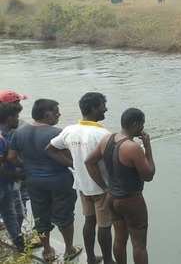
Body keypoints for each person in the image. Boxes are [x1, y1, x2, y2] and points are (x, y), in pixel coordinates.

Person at [8, 99, 85, 261]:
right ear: (47, 113)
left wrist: (28, 166)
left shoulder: (19, 132)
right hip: (59, 180)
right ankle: (69, 249)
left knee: (40, 215)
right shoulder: (57, 133)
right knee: (65, 215)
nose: (59, 114)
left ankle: (47, 250)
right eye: (56, 111)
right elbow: (69, 158)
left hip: (33, 181)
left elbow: (12, 157)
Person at [47, 93, 113, 264]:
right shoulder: (103, 134)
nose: (105, 108)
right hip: (101, 188)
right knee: (105, 226)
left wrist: (73, 165)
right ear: (93, 108)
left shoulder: (70, 130)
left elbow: (50, 149)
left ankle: (91, 258)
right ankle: (108, 260)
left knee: (89, 221)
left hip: (82, 186)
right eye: (102, 106)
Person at [86, 108, 155, 264]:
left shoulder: (107, 139)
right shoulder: (132, 147)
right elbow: (149, 175)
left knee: (120, 238)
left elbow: (89, 161)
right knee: (139, 244)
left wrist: (105, 187)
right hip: (131, 200)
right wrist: (148, 148)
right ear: (136, 124)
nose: (143, 128)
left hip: (112, 197)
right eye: (142, 124)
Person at [0, 103, 25, 252]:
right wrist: (19, 174)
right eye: (16, 116)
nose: (18, 119)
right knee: (10, 213)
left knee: (11, 213)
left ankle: (18, 242)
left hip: (6, 184)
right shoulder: (1, 139)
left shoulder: (8, 134)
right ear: (9, 118)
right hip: (4, 183)